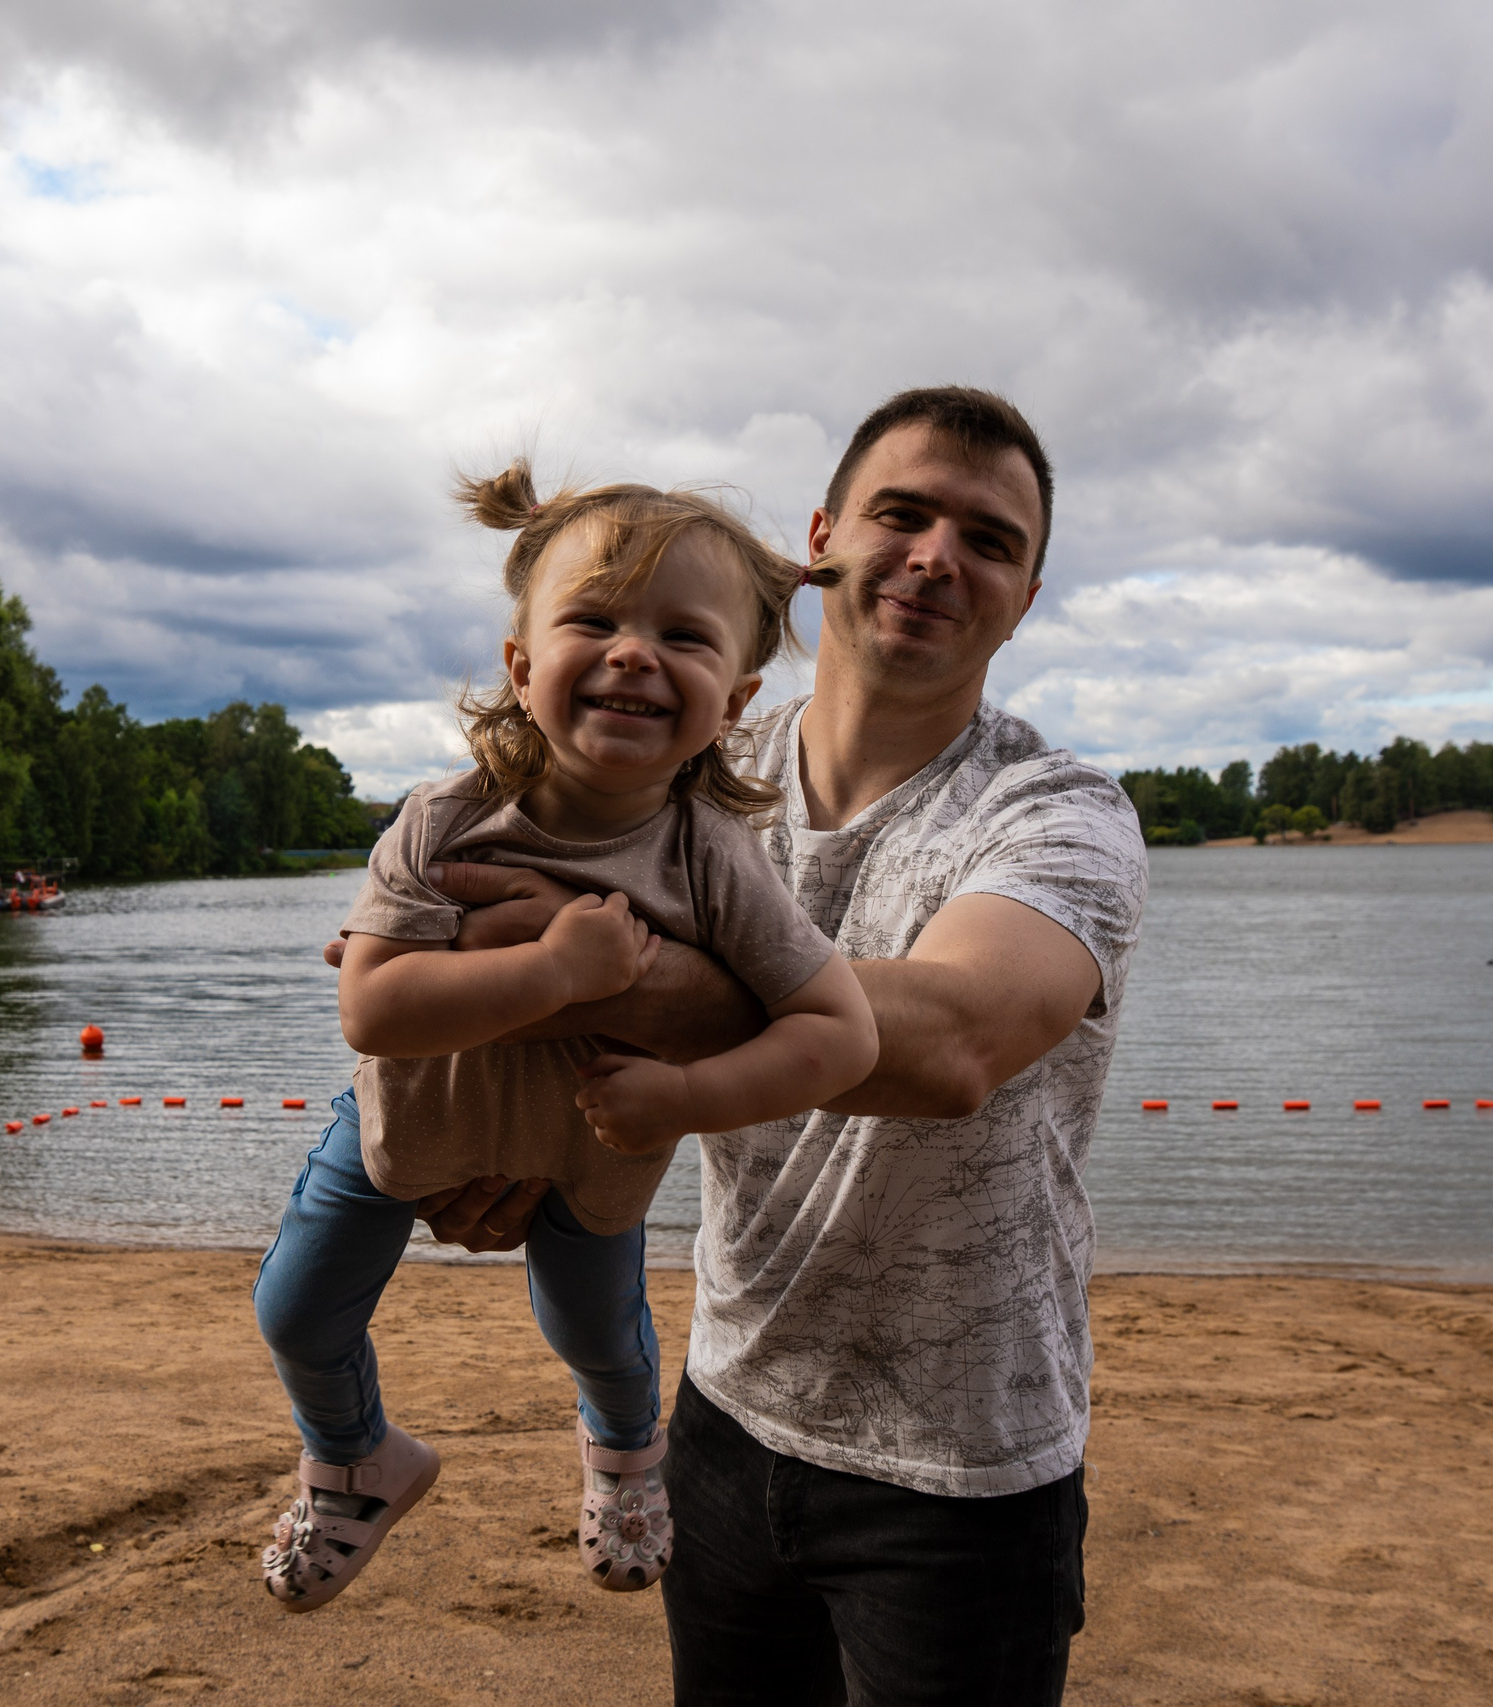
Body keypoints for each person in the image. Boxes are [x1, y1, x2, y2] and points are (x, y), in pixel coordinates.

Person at [404, 388, 1147, 1705]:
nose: (934, 556)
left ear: (1026, 595)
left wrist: (610, 978)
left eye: (988, 538)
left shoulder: (1060, 808)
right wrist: (503, 1157)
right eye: (901, 514)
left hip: (961, 1474)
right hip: (725, 1418)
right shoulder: (684, 775)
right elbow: (507, 981)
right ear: (819, 540)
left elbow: (959, 1035)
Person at [253, 464, 880, 1613]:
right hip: (400, 1132)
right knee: (292, 1309)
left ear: (734, 701)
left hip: (593, 1157)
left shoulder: (711, 857)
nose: (634, 652)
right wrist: (553, 972)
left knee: (591, 1331)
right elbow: (371, 1009)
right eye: (591, 620)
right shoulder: (443, 818)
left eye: (682, 637)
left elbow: (839, 1034)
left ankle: (626, 1446)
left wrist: (689, 1101)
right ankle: (353, 1459)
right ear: (519, 665)